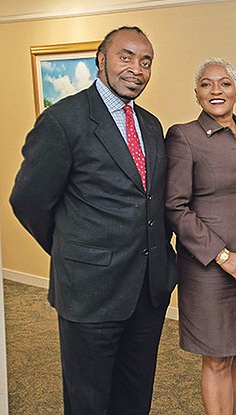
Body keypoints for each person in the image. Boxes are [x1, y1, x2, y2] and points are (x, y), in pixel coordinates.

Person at [10, 26, 177, 414]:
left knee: (135, 397)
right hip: (90, 291)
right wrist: (72, 249)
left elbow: (152, 200)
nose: (136, 68)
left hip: (148, 290)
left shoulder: (150, 124)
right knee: (88, 400)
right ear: (100, 59)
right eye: (126, 56)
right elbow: (28, 200)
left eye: (146, 61)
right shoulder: (63, 120)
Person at [164, 57, 236, 415]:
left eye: (225, 83)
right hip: (208, 270)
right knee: (215, 358)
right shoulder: (183, 136)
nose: (216, 90)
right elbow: (176, 206)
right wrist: (223, 256)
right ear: (196, 94)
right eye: (207, 84)